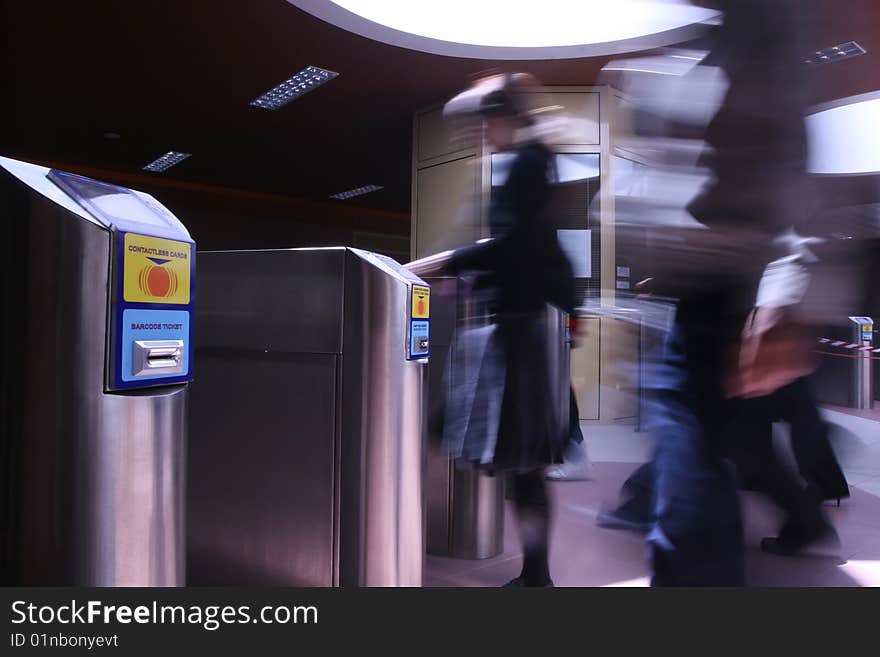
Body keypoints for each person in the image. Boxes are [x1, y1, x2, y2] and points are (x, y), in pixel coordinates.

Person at [439, 73, 576, 586]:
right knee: (524, 466)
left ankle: (537, 576)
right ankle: (536, 573)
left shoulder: (529, 164)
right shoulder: (533, 162)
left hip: (520, 332)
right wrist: (474, 276)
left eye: (484, 123)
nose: (480, 134)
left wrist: (450, 262)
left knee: (525, 466)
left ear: (504, 119)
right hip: (521, 327)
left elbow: (520, 246)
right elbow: (531, 249)